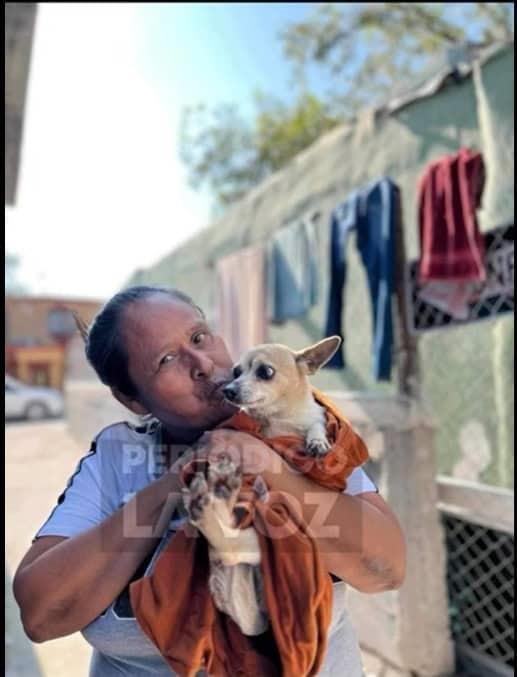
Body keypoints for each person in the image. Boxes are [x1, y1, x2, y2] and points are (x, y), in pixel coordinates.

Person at [13, 286, 406, 677]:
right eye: (166, 359)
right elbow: (42, 614)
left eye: (200, 337)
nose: (201, 362)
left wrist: (270, 468)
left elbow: (386, 568)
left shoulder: (304, 430)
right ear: (132, 400)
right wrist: (175, 483)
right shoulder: (118, 458)